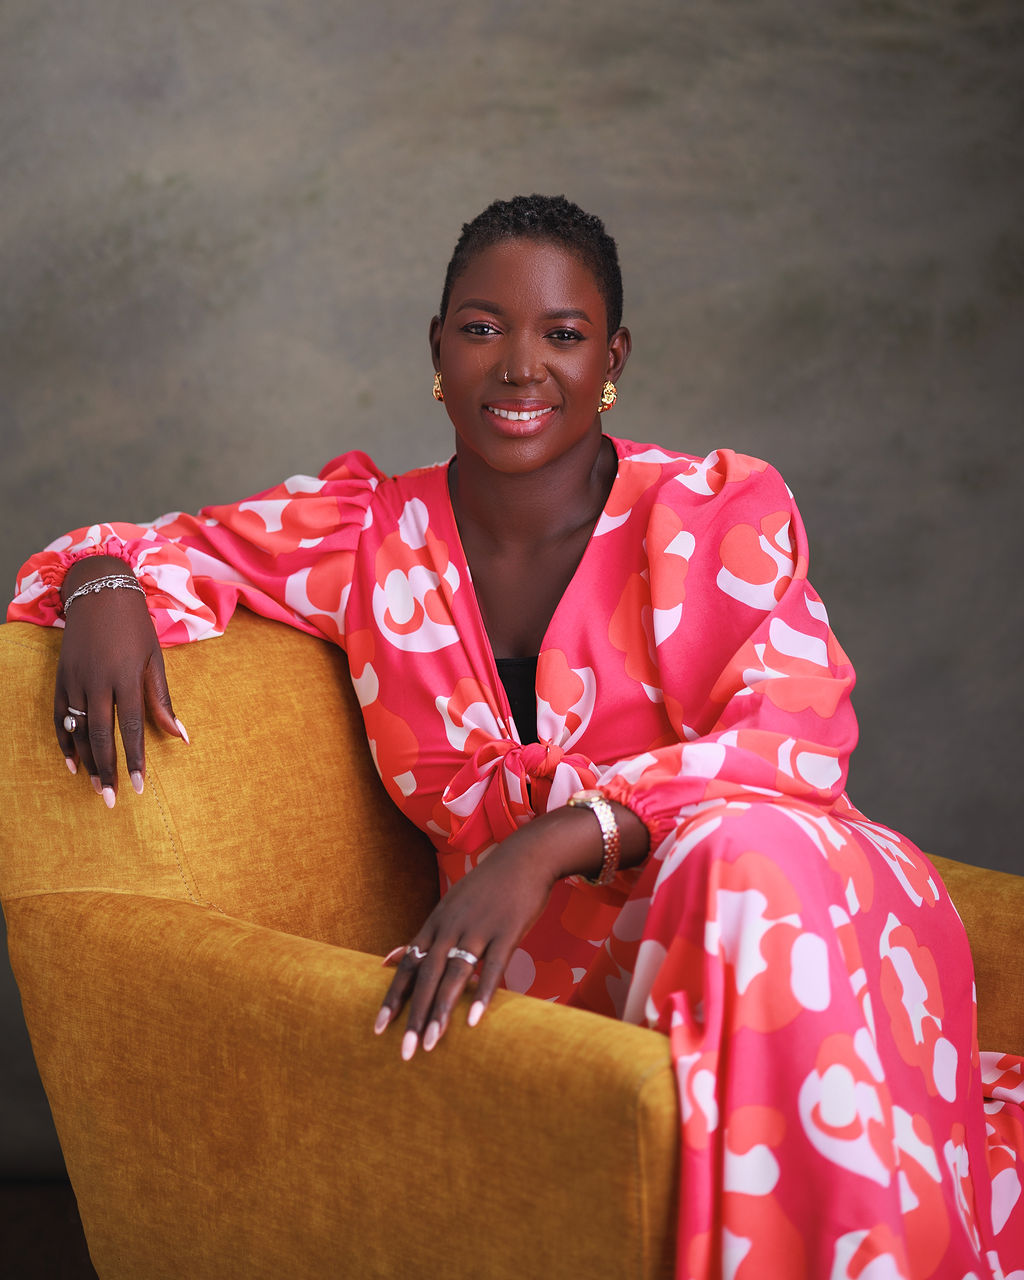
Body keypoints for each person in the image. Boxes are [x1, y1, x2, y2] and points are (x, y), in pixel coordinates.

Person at [9, 194, 1023, 1278]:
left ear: (612, 357)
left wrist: (545, 844)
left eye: (563, 333)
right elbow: (145, 547)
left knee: (740, 854)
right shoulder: (367, 537)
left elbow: (794, 739)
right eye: (483, 327)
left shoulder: (708, 512)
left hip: (792, 907)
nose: (520, 365)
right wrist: (102, 585)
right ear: (437, 348)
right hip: (550, 978)